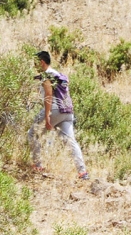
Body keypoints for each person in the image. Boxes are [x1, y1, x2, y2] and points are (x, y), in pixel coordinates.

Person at [29, 51, 89, 180]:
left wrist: (47, 116)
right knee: (70, 142)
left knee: (33, 134)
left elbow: (48, 95)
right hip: (67, 111)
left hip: (54, 109)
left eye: (35, 62)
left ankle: (38, 165)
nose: (34, 65)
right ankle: (82, 172)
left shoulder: (46, 75)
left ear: (42, 62)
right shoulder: (58, 74)